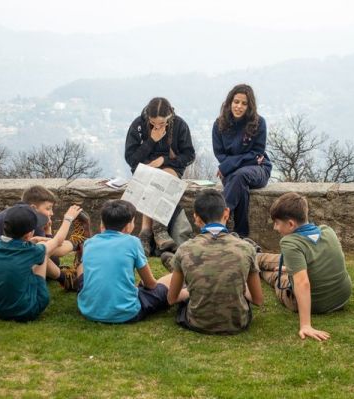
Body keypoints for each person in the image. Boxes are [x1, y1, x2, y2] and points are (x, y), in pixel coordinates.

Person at [165, 189, 263, 335]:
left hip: (197, 322)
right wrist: (239, 288)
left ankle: (182, 271)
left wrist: (189, 292)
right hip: (237, 323)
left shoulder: (184, 249)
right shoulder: (247, 248)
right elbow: (258, 300)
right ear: (226, 213)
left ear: (196, 218)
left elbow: (172, 299)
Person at [257, 192, 352, 341]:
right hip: (341, 297)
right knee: (277, 263)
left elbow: (302, 283)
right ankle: (255, 259)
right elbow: (325, 262)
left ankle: (253, 265)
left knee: (275, 276)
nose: (275, 227)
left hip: (316, 303)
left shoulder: (290, 242)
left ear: (290, 224)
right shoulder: (327, 231)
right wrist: (292, 268)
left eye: (277, 223)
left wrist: (306, 325)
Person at [77, 199, 188, 323]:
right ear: (129, 225)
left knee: (82, 267)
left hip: (88, 310)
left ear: (102, 223)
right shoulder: (132, 242)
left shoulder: (89, 243)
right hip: (127, 312)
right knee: (168, 281)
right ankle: (188, 292)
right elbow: (151, 284)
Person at [0, 185, 90, 290]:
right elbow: (53, 254)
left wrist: (47, 230)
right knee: (42, 254)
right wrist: (68, 219)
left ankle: (75, 251)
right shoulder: (28, 220)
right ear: (34, 208)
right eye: (48, 208)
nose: (51, 213)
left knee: (41, 253)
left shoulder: (18, 213)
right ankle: (78, 243)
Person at [0, 204, 83, 321]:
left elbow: (12, 253)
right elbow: (58, 240)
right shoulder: (31, 251)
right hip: (28, 311)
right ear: (29, 234)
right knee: (43, 252)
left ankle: (66, 276)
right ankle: (79, 244)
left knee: (40, 250)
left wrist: (31, 241)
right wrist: (68, 218)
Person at [125, 97, 196, 255]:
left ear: (169, 116)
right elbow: (131, 159)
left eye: (162, 123)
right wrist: (151, 140)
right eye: (153, 122)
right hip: (145, 169)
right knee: (154, 177)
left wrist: (164, 160)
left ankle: (146, 232)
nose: (157, 126)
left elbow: (189, 155)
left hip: (171, 167)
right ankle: (159, 231)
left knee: (162, 176)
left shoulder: (179, 125)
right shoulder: (138, 124)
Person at [212, 84, 271, 238]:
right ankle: (241, 235)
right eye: (236, 102)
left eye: (244, 103)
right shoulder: (219, 124)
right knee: (240, 184)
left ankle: (219, 220)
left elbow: (256, 154)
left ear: (250, 106)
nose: (239, 106)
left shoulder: (259, 123)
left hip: (259, 169)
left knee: (239, 176)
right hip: (233, 172)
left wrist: (228, 166)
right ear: (230, 102)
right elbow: (220, 154)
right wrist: (231, 165)